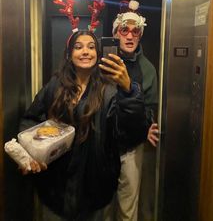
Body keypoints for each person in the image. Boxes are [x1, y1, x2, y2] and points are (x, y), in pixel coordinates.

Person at [19, 30, 147, 221]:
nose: (85, 51)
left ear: (98, 53)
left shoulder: (110, 90)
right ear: (70, 55)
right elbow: (31, 120)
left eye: (91, 47)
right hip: (56, 186)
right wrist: (31, 153)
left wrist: (129, 91)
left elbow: (132, 133)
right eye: (78, 47)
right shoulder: (55, 85)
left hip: (96, 186)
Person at [104, 0, 159, 221]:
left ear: (140, 35)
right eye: (124, 30)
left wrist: (146, 126)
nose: (129, 36)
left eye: (135, 31)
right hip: (102, 145)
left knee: (128, 208)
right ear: (115, 33)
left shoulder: (147, 68)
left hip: (131, 146)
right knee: (102, 205)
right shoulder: (102, 61)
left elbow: (150, 106)